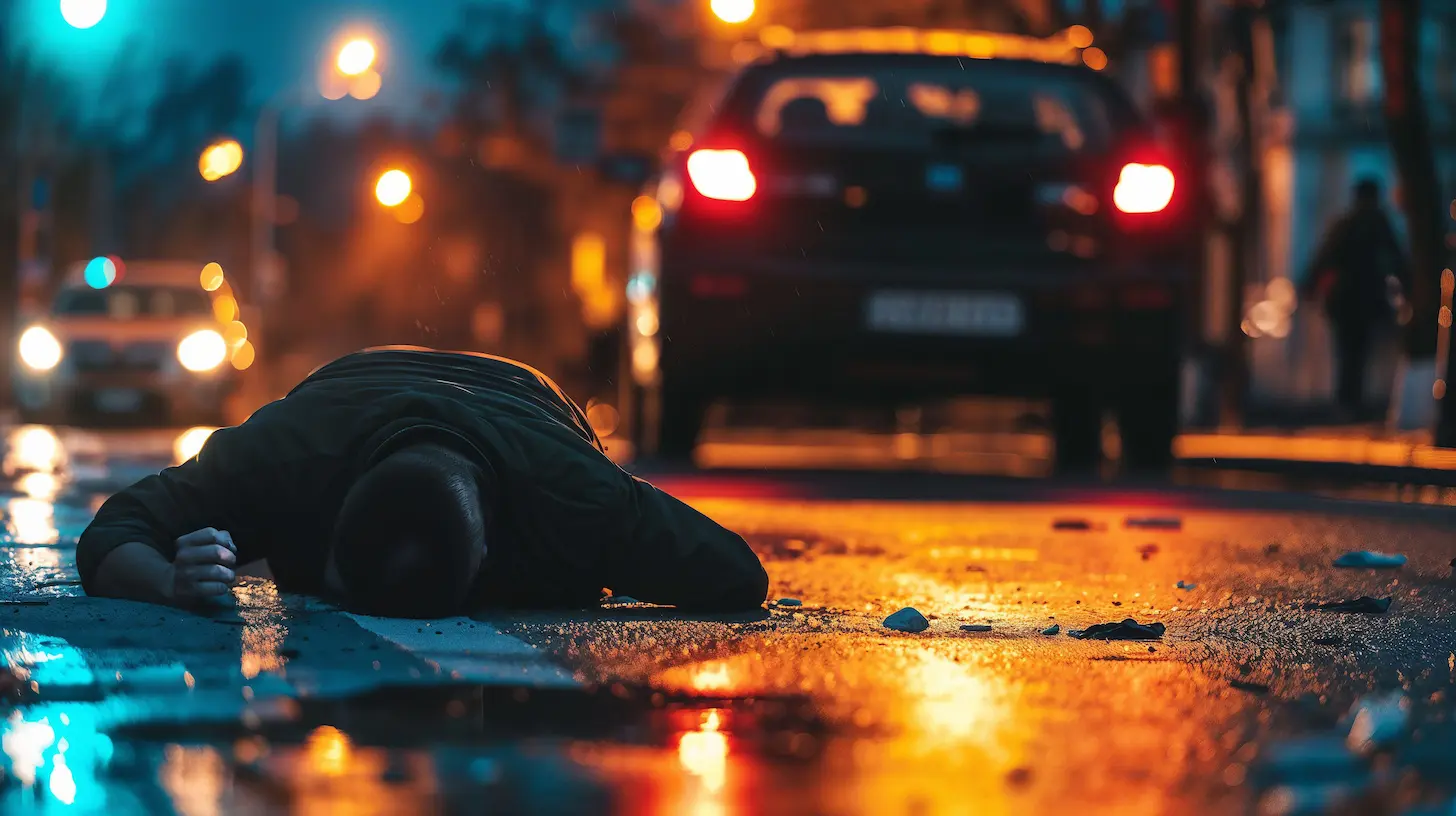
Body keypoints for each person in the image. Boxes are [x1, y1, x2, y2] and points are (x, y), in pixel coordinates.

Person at [77, 346, 769, 617]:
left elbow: (740, 576)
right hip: (349, 380)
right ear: (326, 511)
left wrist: (622, 539)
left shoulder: (575, 492)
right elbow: (111, 533)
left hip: (524, 396)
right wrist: (168, 582)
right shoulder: (280, 459)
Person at [1302, 178, 1408, 420]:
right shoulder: (1379, 225)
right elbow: (1396, 259)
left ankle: (1347, 400)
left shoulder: (1346, 224)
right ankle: (1352, 400)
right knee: (1359, 351)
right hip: (1366, 299)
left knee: (1348, 350)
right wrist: (1408, 287)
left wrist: (1309, 286)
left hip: (1344, 299)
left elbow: (1324, 256)